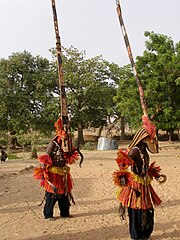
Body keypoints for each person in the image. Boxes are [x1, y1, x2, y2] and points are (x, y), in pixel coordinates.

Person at [113, 115, 166, 240]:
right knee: (136, 209)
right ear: (143, 137)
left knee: (147, 209)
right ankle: (136, 236)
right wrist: (123, 178)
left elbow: (146, 166)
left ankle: (145, 235)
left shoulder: (144, 149)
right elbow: (122, 162)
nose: (151, 139)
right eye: (149, 136)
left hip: (145, 184)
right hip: (136, 186)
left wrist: (155, 174)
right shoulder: (135, 150)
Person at [34, 118, 83, 220]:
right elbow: (46, 156)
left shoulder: (67, 144)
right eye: (65, 131)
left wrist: (74, 151)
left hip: (63, 173)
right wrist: (43, 168)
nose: (66, 133)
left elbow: (69, 156)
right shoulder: (53, 143)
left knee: (64, 194)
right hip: (53, 174)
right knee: (52, 194)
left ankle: (64, 213)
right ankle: (48, 215)